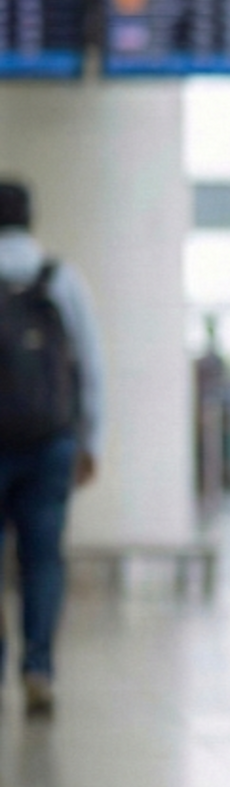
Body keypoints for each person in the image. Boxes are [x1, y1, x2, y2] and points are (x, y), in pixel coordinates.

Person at [0, 180, 104, 718]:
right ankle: (38, 668)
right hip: (50, 440)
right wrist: (91, 440)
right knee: (42, 559)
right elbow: (90, 364)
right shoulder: (61, 278)